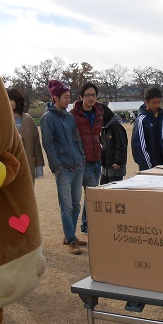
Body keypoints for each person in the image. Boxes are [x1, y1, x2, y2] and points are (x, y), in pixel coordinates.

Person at [40, 80, 85, 255]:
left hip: (77, 166)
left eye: (69, 97)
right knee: (66, 206)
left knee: (75, 204)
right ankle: (71, 239)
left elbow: (77, 139)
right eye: (66, 97)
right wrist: (57, 167)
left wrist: (81, 158)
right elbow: (48, 145)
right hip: (63, 169)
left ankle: (70, 236)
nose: (69, 100)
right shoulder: (47, 118)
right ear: (55, 97)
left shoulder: (69, 116)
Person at [71, 82, 102, 234]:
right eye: (88, 95)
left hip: (97, 158)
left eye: (93, 95)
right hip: (84, 160)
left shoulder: (98, 112)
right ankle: (86, 225)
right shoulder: (73, 115)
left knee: (91, 193)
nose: (91, 98)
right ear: (81, 97)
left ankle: (86, 224)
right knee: (91, 193)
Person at [6, 88, 45, 185]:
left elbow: (36, 144)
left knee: (27, 197)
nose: (7, 101)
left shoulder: (29, 119)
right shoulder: (2, 121)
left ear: (17, 100)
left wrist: (39, 167)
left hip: (28, 166)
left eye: (10, 99)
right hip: (8, 168)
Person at [131, 87, 163, 170]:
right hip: (148, 166)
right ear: (146, 102)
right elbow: (139, 146)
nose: (157, 105)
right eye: (154, 103)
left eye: (158, 102)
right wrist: (149, 166)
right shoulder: (142, 120)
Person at [99, 104, 128, 184]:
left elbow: (121, 145)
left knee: (112, 192)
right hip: (106, 165)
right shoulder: (104, 128)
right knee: (103, 189)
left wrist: (118, 162)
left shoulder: (117, 127)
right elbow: (104, 144)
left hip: (115, 166)